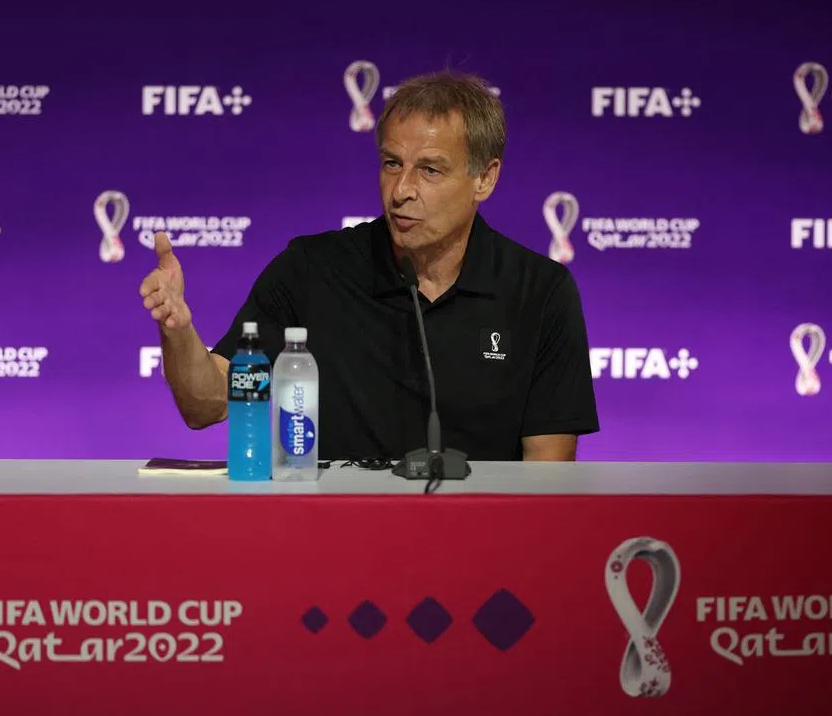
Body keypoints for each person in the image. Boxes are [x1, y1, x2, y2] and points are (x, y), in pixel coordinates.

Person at [139, 70, 599, 462]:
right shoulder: (311, 271)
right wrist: (178, 332)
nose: (401, 190)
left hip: (479, 549)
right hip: (336, 544)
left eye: (430, 170)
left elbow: (548, 478)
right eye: (391, 163)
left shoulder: (538, 290)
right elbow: (210, 404)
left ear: (485, 178)